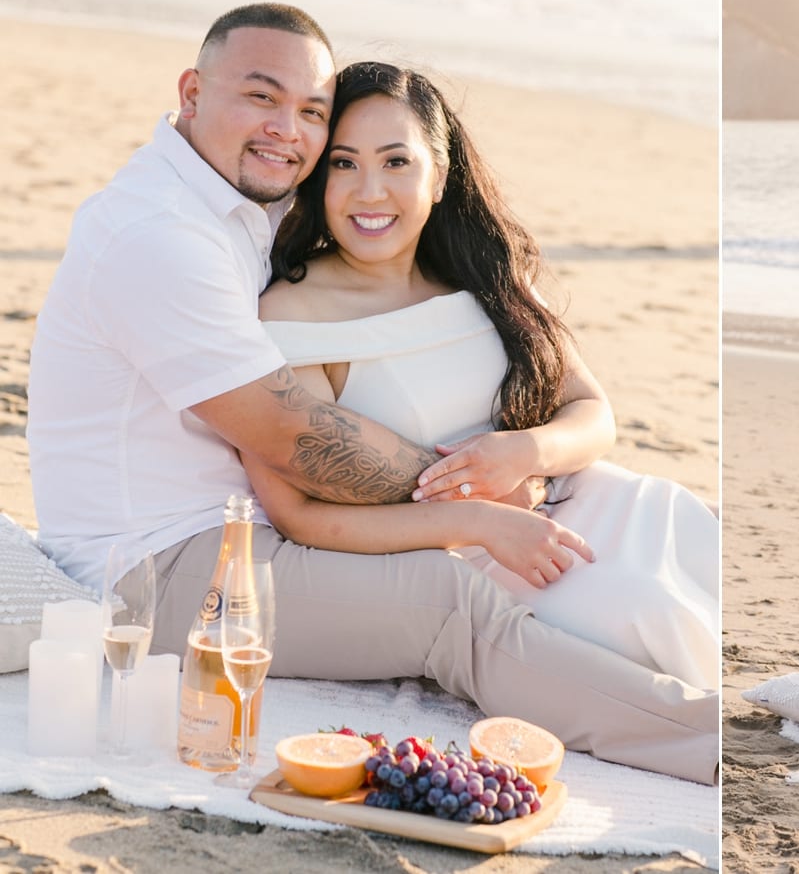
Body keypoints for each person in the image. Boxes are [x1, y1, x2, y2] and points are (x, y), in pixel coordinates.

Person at [26, 3, 717, 784]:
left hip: (248, 531)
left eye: (309, 111)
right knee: (445, 605)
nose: (287, 128)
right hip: (159, 567)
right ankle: (703, 741)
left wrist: (523, 462)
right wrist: (484, 495)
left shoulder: (243, 201)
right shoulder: (157, 234)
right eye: (260, 96)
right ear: (191, 93)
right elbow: (293, 437)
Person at [252, 59, 718, 691]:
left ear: (439, 176)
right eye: (343, 163)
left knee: (697, 554)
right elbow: (297, 514)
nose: (369, 191)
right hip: (476, 561)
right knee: (649, 617)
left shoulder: (486, 277)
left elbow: (593, 412)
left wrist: (524, 448)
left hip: (594, 499)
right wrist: (480, 523)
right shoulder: (291, 314)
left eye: (396, 162)